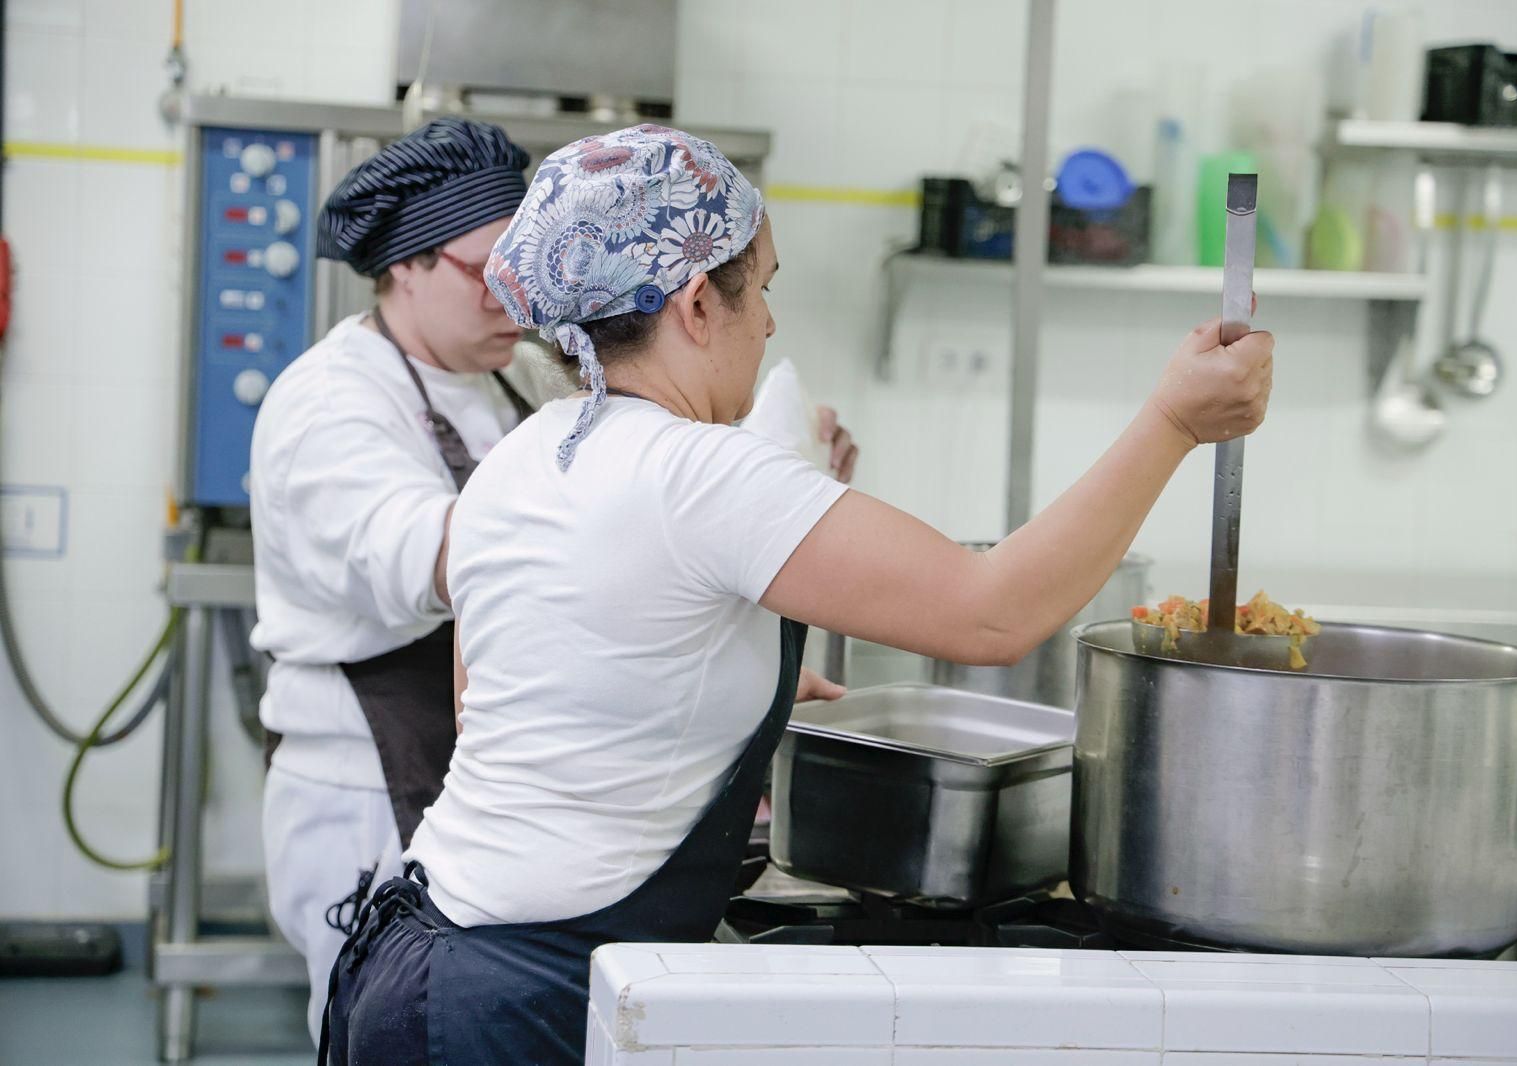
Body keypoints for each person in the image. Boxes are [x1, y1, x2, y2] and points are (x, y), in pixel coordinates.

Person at [320, 125, 1274, 1065]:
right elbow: (993, 611)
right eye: (763, 289)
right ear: (697, 303)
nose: (771, 323)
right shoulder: (699, 471)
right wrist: (1173, 421)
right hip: (517, 1000)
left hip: (416, 959)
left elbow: (487, 702)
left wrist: (697, 709)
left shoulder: (524, 456)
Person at [250, 116, 540, 1037]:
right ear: (407, 264)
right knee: (379, 1038)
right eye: (487, 271)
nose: (516, 301)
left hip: (467, 776)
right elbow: (425, 558)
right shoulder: (332, 402)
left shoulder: (516, 377)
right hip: (362, 794)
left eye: (524, 271)